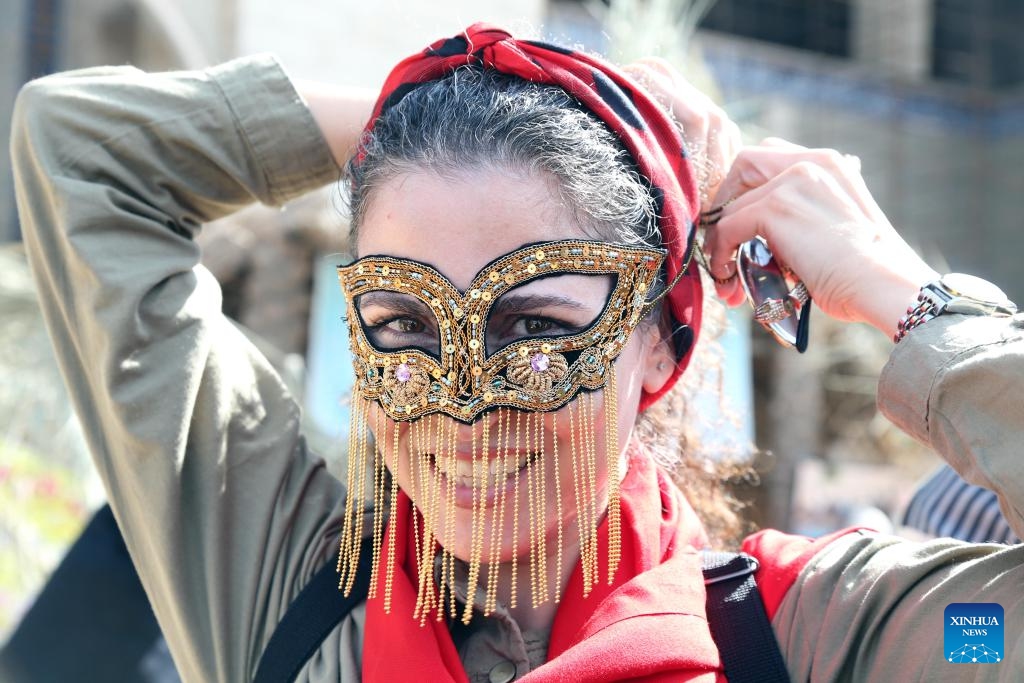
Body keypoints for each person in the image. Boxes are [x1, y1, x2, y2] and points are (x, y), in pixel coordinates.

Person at [11, 22, 1024, 682]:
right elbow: (81, 149)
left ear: (661, 347)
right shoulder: (281, 587)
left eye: (536, 329)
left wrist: (909, 298)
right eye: (403, 324)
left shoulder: (821, 633)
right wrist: (473, 109)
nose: (460, 404)